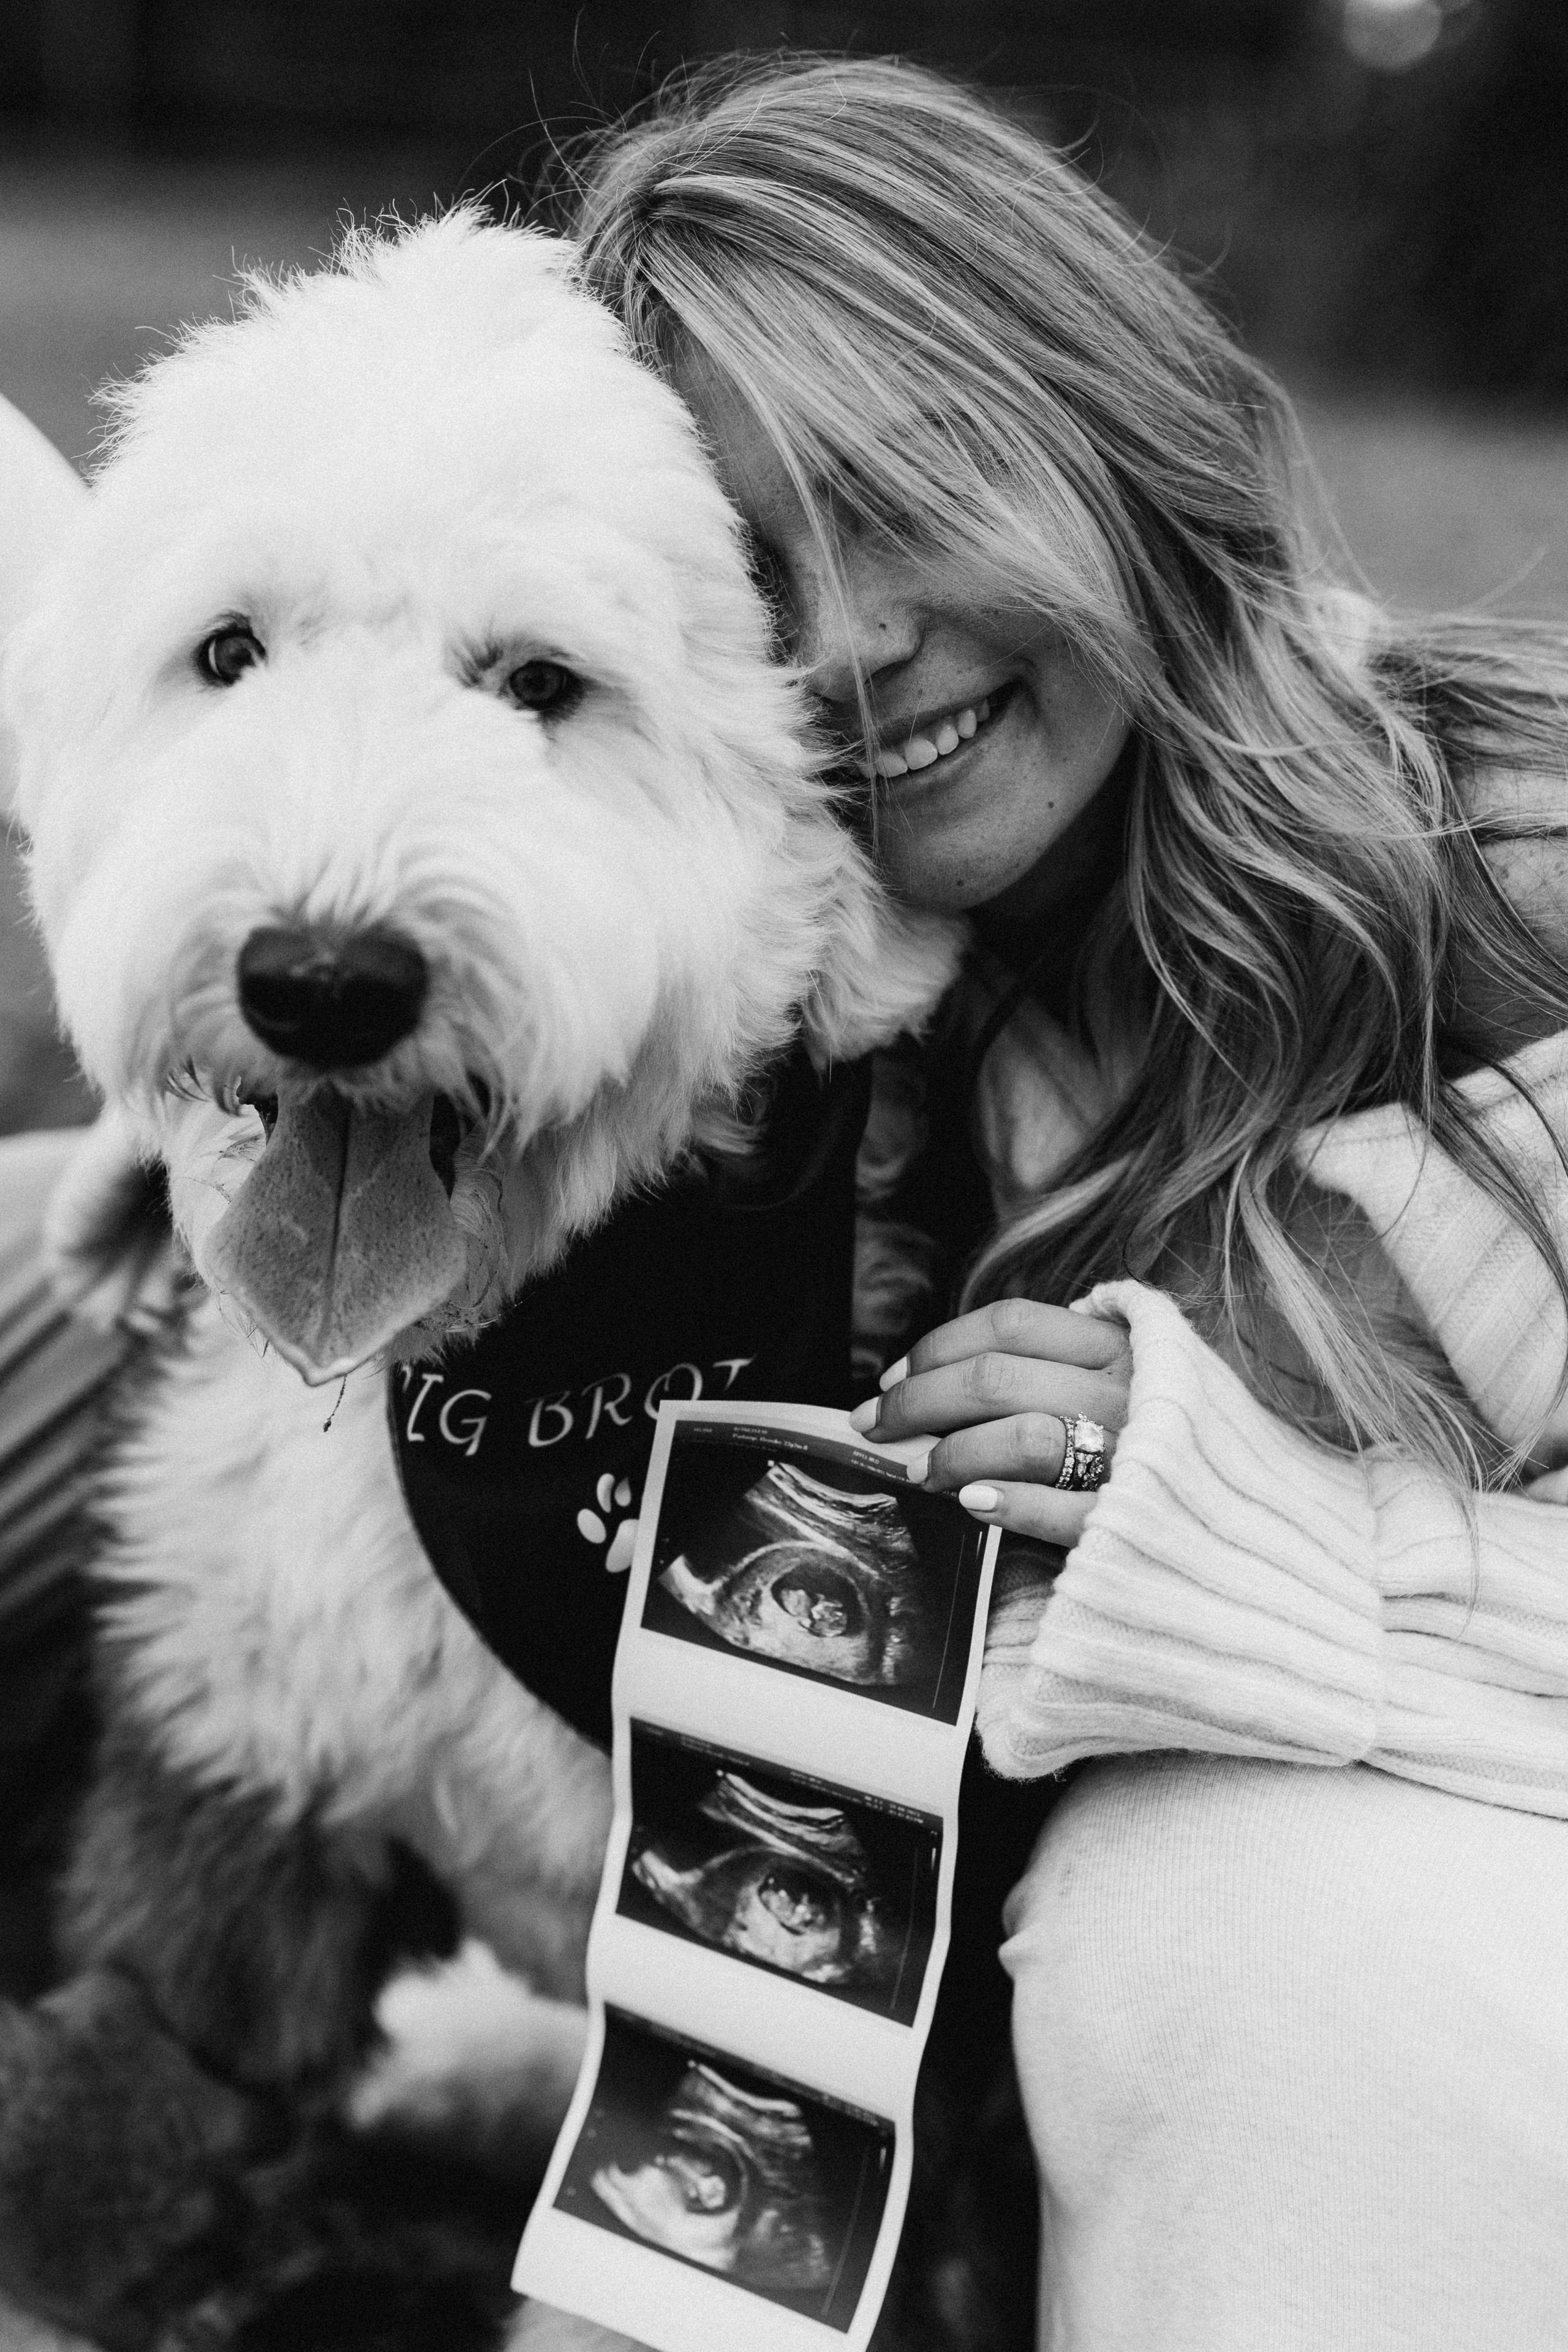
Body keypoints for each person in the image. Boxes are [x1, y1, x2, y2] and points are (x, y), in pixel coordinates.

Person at [545, 53, 1568, 2351]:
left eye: (904, 496)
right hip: (958, 2158)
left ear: (1109, 428)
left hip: (1437, 2027)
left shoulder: (1512, 885)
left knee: (1196, 1912)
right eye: (743, 575)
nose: (846, 644)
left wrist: (1239, 1517)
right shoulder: (830, 1029)